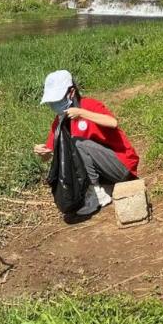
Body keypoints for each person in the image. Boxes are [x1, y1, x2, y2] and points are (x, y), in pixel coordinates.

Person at [33, 70, 140, 216]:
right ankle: (102, 188)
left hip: (121, 167)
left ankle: (96, 193)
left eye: (58, 99)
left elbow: (112, 122)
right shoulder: (60, 121)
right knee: (69, 154)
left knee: (78, 144)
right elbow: (50, 155)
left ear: (71, 92)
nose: (55, 105)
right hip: (104, 174)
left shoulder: (88, 105)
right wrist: (42, 152)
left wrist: (82, 113)